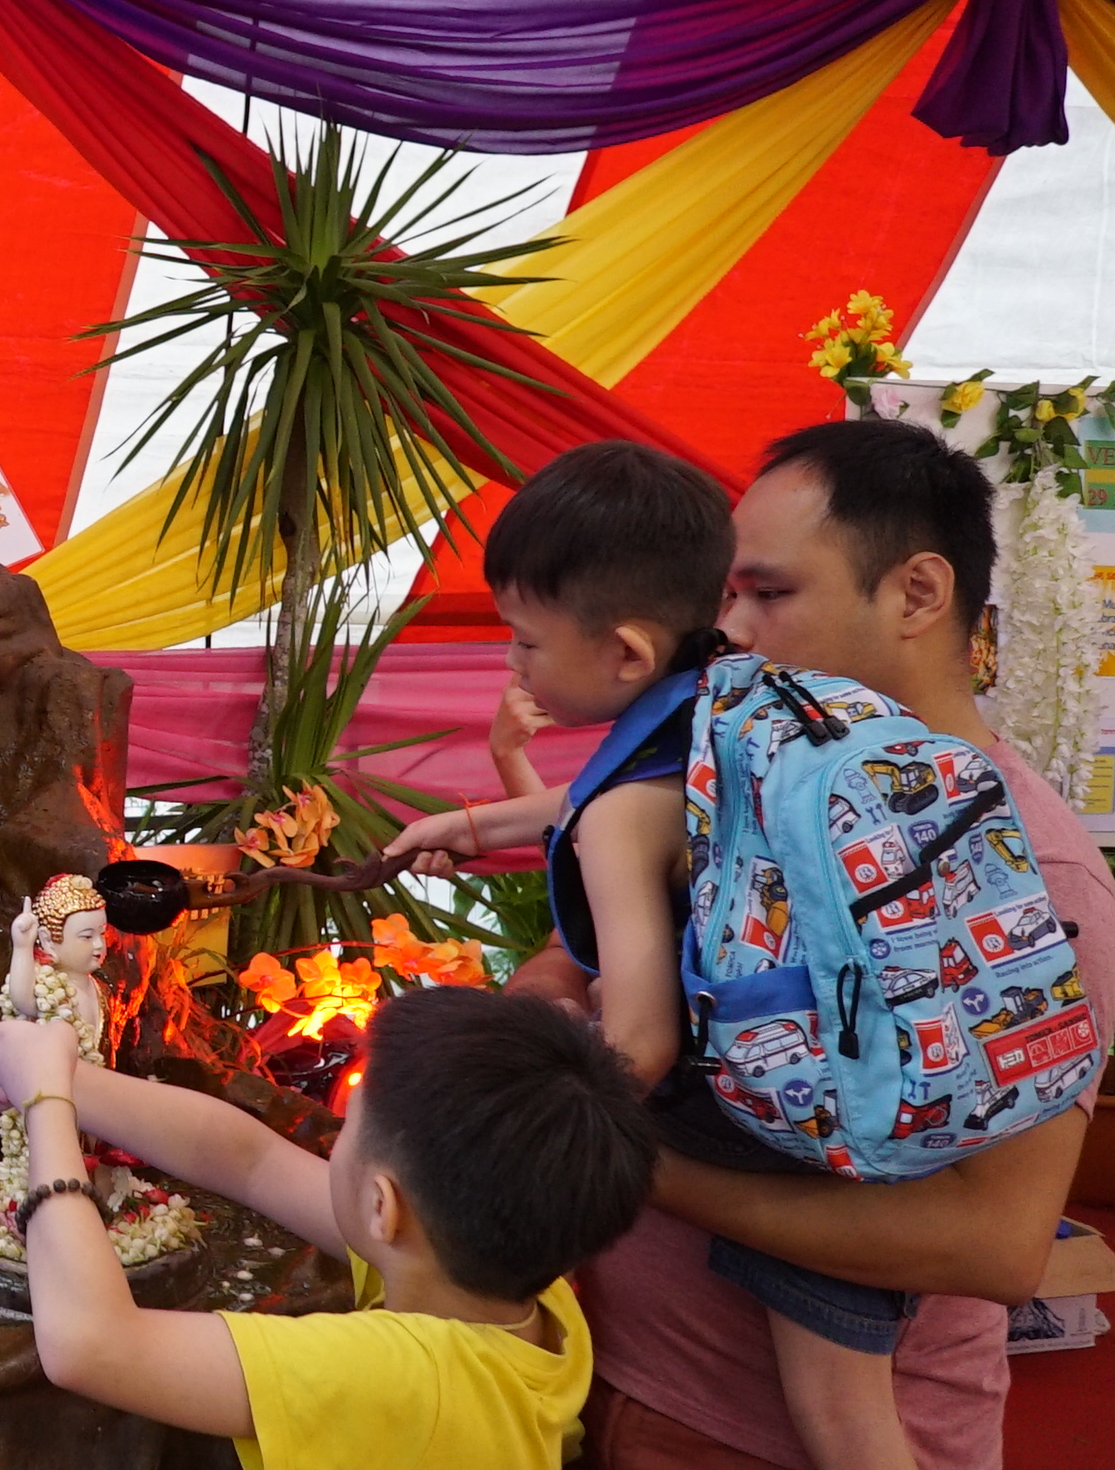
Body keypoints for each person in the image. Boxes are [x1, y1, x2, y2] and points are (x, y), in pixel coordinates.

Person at [539, 419, 1115, 1470]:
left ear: (912, 595)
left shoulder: (1030, 875)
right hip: (602, 1371)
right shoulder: (746, 767)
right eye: (725, 594)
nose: (727, 631)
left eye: (768, 595)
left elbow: (989, 1240)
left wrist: (610, 1157)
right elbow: (576, 960)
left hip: (760, 1440)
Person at [385, 439, 926, 1470]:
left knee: (847, 1428)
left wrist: (514, 1107)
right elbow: (624, 798)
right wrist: (478, 826)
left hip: (807, 1141)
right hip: (864, 1053)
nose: (512, 666)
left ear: (626, 654)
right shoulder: (733, 694)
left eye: (524, 643)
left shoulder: (617, 825)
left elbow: (636, 1040)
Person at [0, 986, 656, 1469]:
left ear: (382, 1208)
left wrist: (48, 1106)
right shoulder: (517, 1286)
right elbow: (248, 1160)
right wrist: (44, 1084)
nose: (329, 1143)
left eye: (345, 1132)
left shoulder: (408, 1379)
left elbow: (91, 1343)